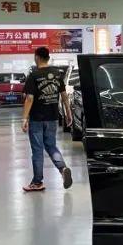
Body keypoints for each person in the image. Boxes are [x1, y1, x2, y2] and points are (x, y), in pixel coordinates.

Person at [21, 47, 73, 192]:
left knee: (37, 150)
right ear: (48, 58)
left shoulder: (34, 75)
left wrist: (24, 118)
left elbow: (29, 98)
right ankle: (63, 169)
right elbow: (64, 96)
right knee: (51, 146)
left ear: (37, 57)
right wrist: (68, 113)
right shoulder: (57, 74)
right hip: (52, 117)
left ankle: (37, 182)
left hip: (37, 118)